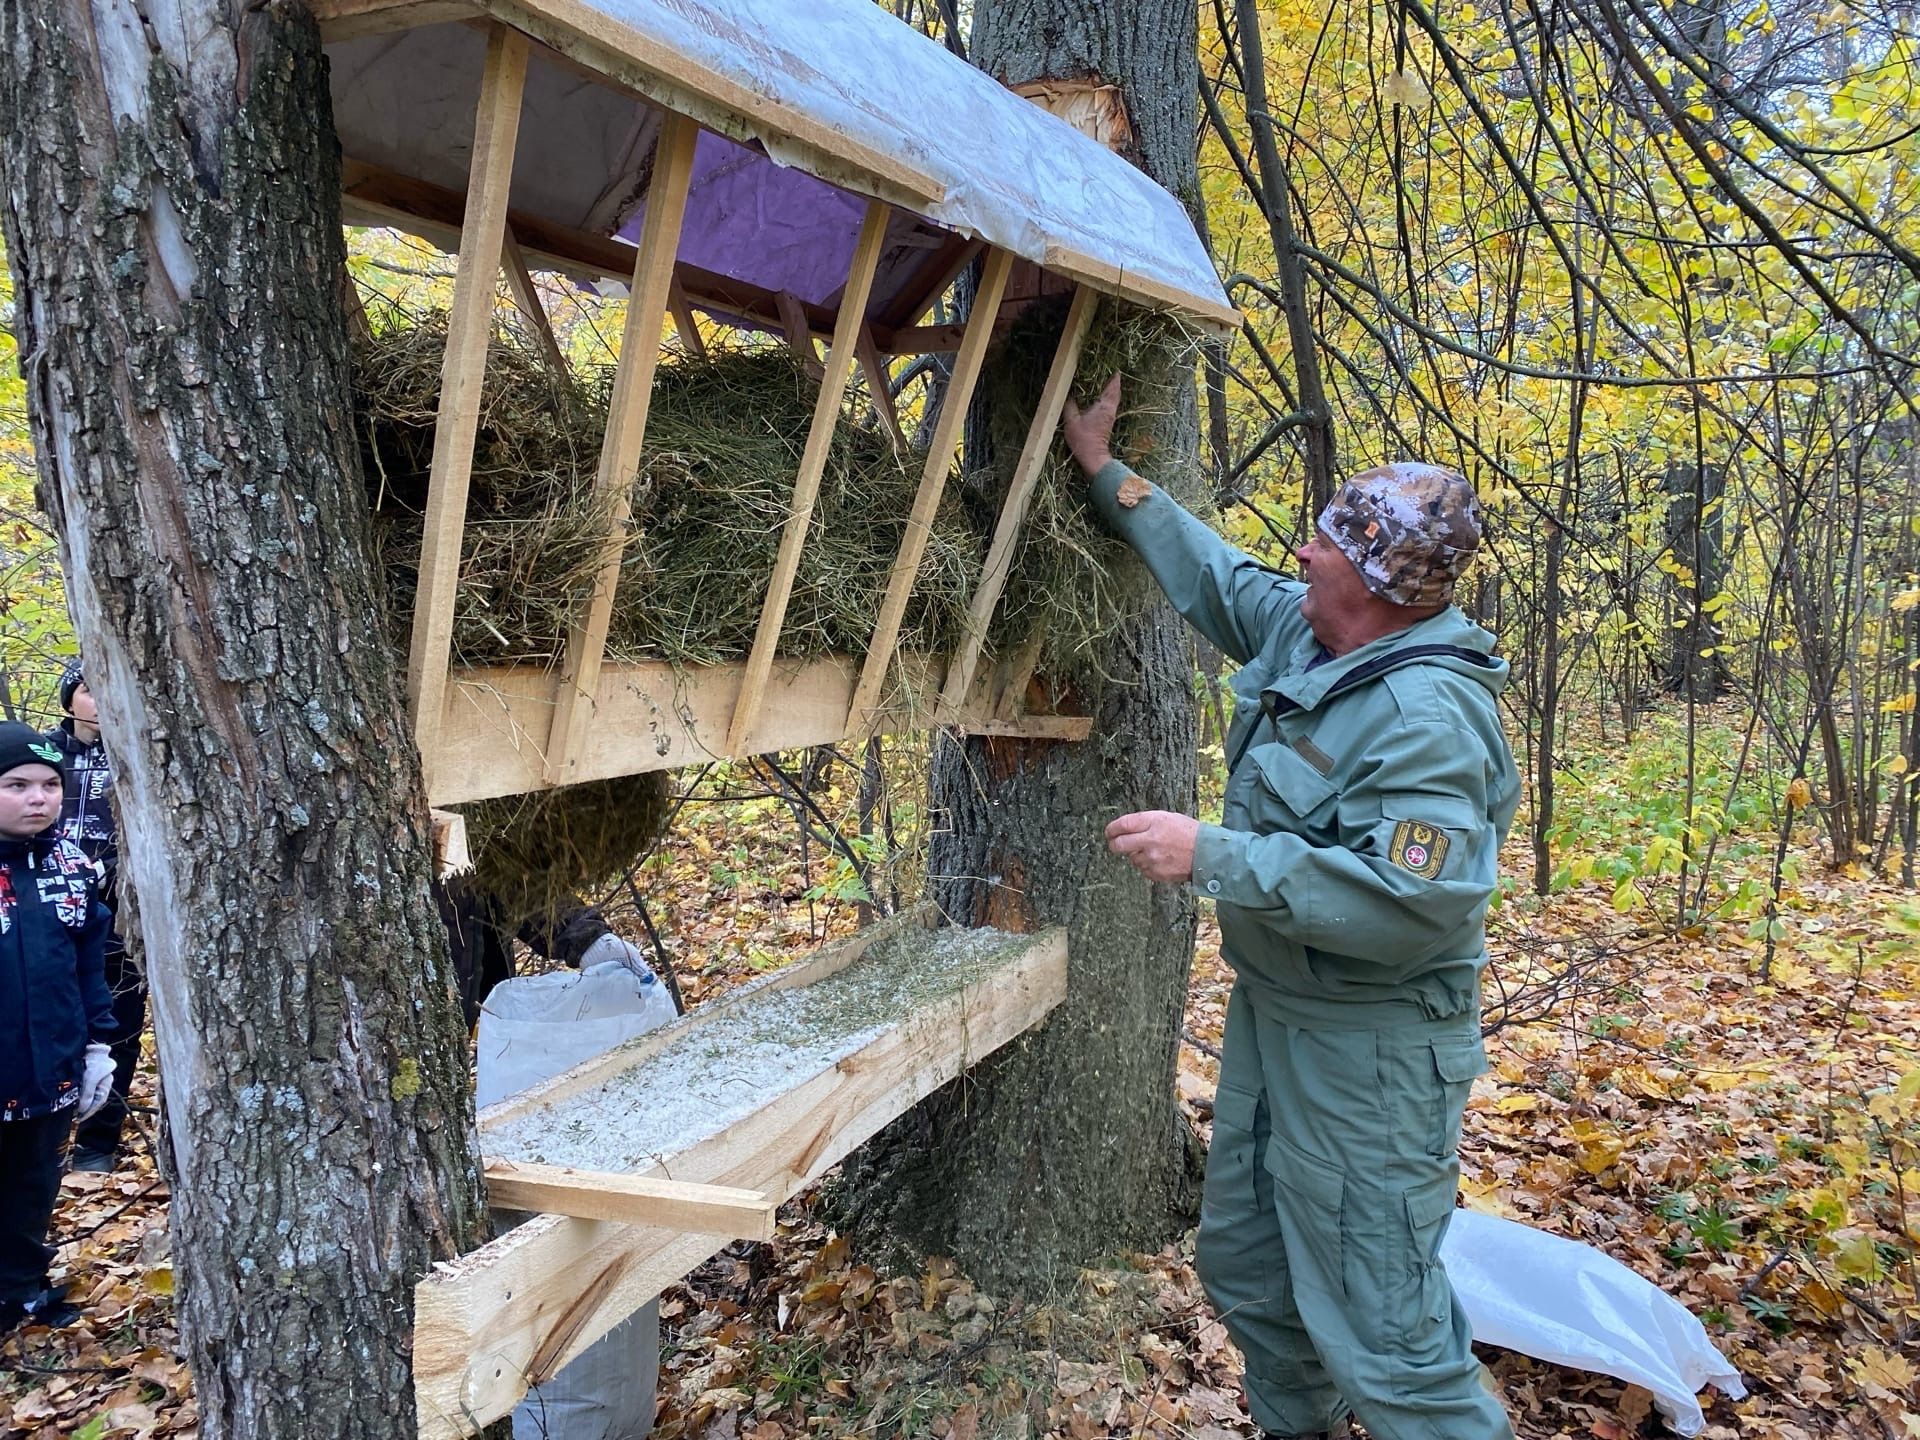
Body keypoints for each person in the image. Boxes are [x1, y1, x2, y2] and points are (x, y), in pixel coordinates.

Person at [1063, 376, 1519, 1440]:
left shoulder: (1428, 716)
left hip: (1371, 1057)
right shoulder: (1314, 636)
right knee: (1254, 1278)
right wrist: (1103, 468)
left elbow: (1416, 908)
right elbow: (1217, 576)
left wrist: (1215, 855)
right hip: (1280, 1022)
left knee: (1388, 1344)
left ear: (1378, 582)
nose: (1304, 554)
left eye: (1329, 543)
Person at [0, 722, 116, 1332]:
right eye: (17, 785)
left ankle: (20, 1290)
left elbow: (88, 961)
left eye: (50, 784)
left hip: (52, 1064)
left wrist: (98, 1045)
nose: (38, 797)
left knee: (34, 1180)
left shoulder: (71, 863)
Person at [44, 661, 139, 1172]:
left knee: (117, 1023)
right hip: (50, 913)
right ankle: (46, 1134)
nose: (100, 700)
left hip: (119, 914)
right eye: (88, 689)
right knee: (52, 1022)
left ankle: (97, 1144)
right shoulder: (43, 755)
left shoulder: (135, 755)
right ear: (69, 699)